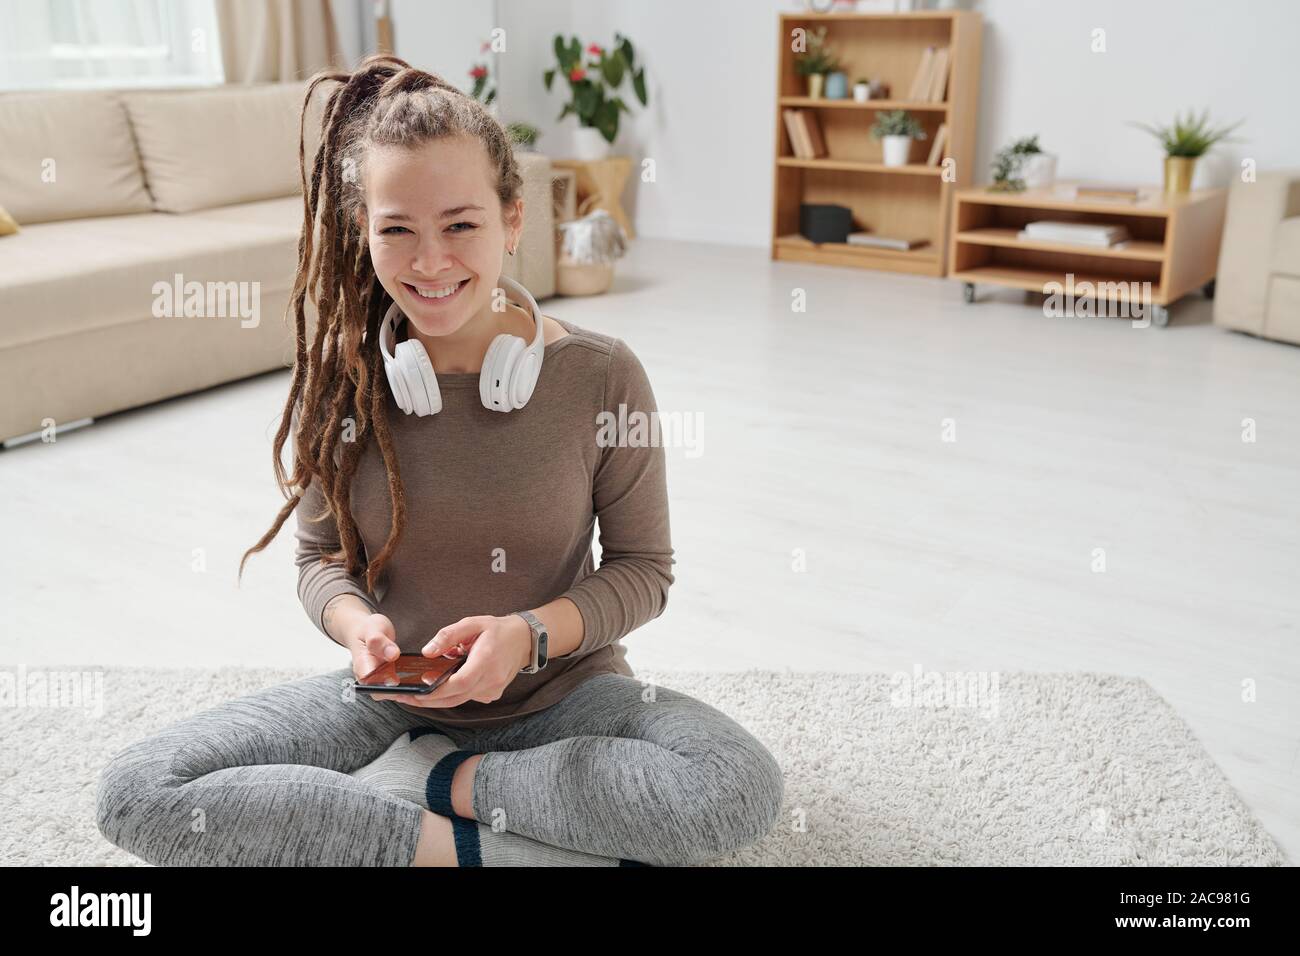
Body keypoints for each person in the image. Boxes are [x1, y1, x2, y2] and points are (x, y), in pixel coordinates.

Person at [94, 54, 784, 867]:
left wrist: (527, 636)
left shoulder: (601, 374)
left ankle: (452, 781)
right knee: (139, 790)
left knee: (735, 787)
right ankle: (468, 847)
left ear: (513, 221)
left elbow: (643, 569)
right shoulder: (341, 381)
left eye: (460, 225)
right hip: (395, 700)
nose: (429, 263)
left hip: (565, 694)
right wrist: (358, 630)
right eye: (397, 230)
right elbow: (318, 558)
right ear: (364, 229)